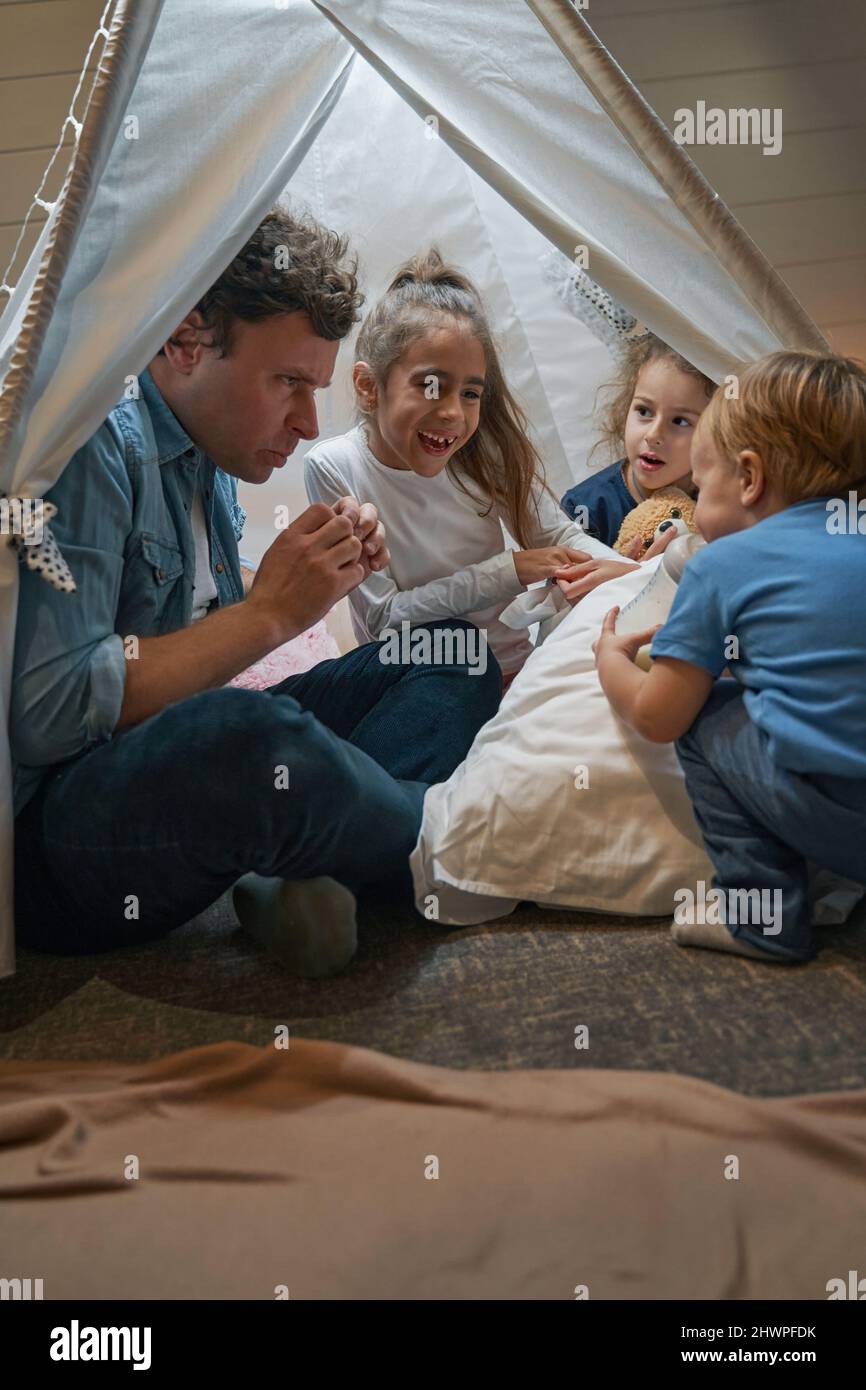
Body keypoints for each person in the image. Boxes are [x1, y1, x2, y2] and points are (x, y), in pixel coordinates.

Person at [11, 209, 501, 977]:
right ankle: (464, 844)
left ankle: (318, 874)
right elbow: (49, 717)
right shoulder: (93, 442)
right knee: (247, 736)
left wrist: (314, 578)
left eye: (316, 389)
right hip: (61, 843)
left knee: (452, 653)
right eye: (288, 383)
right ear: (186, 342)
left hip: (180, 768)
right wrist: (270, 614)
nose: (307, 423)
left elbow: (194, 662)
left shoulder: (212, 458)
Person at [593, 350, 866, 963]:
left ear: (748, 478)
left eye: (701, 481)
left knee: (707, 713)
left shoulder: (719, 565)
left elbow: (659, 716)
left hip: (842, 823)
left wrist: (610, 661)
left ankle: (761, 913)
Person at [304, 249, 631, 686]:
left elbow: (559, 537)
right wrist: (509, 571)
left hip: (513, 670)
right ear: (368, 387)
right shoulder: (334, 467)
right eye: (431, 386)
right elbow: (385, 618)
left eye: (471, 394)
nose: (454, 414)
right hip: (412, 678)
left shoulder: (481, 450)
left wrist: (632, 574)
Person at [559, 333, 713, 557]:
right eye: (644, 411)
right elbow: (563, 579)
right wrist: (634, 574)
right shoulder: (585, 508)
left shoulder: (721, 500)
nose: (653, 435)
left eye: (680, 421)